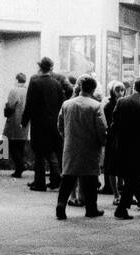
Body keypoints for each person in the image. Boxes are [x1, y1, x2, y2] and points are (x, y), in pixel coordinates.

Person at [55, 75, 107, 220]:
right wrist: (102, 142)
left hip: (70, 146)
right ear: (93, 89)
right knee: (90, 179)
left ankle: (61, 205)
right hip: (90, 147)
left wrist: (66, 137)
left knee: (68, 178)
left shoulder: (67, 104)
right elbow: (101, 128)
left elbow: (59, 124)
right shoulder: (96, 106)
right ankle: (91, 208)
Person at [112, 76, 140, 219]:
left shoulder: (121, 102)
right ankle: (121, 209)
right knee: (134, 178)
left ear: (133, 86)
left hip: (124, 145)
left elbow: (114, 123)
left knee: (132, 178)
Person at [22, 56, 65, 191]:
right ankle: (55, 180)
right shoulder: (57, 84)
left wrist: (24, 121)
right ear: (51, 68)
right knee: (51, 152)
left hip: (39, 123)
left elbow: (30, 104)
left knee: (39, 153)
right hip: (54, 124)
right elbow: (61, 104)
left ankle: (39, 182)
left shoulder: (35, 83)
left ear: (40, 67)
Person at [99, 81, 125, 194]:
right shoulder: (108, 106)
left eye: (122, 90)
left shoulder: (125, 104)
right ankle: (113, 189)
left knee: (121, 164)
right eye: (118, 90)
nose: (120, 93)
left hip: (122, 137)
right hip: (112, 137)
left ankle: (120, 186)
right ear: (112, 92)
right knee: (111, 164)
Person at [3, 72, 29, 177]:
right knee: (21, 145)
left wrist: (6, 108)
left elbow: (10, 105)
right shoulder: (28, 91)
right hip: (25, 122)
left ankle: (20, 165)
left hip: (14, 120)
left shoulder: (14, 90)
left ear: (17, 79)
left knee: (12, 144)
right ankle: (19, 169)